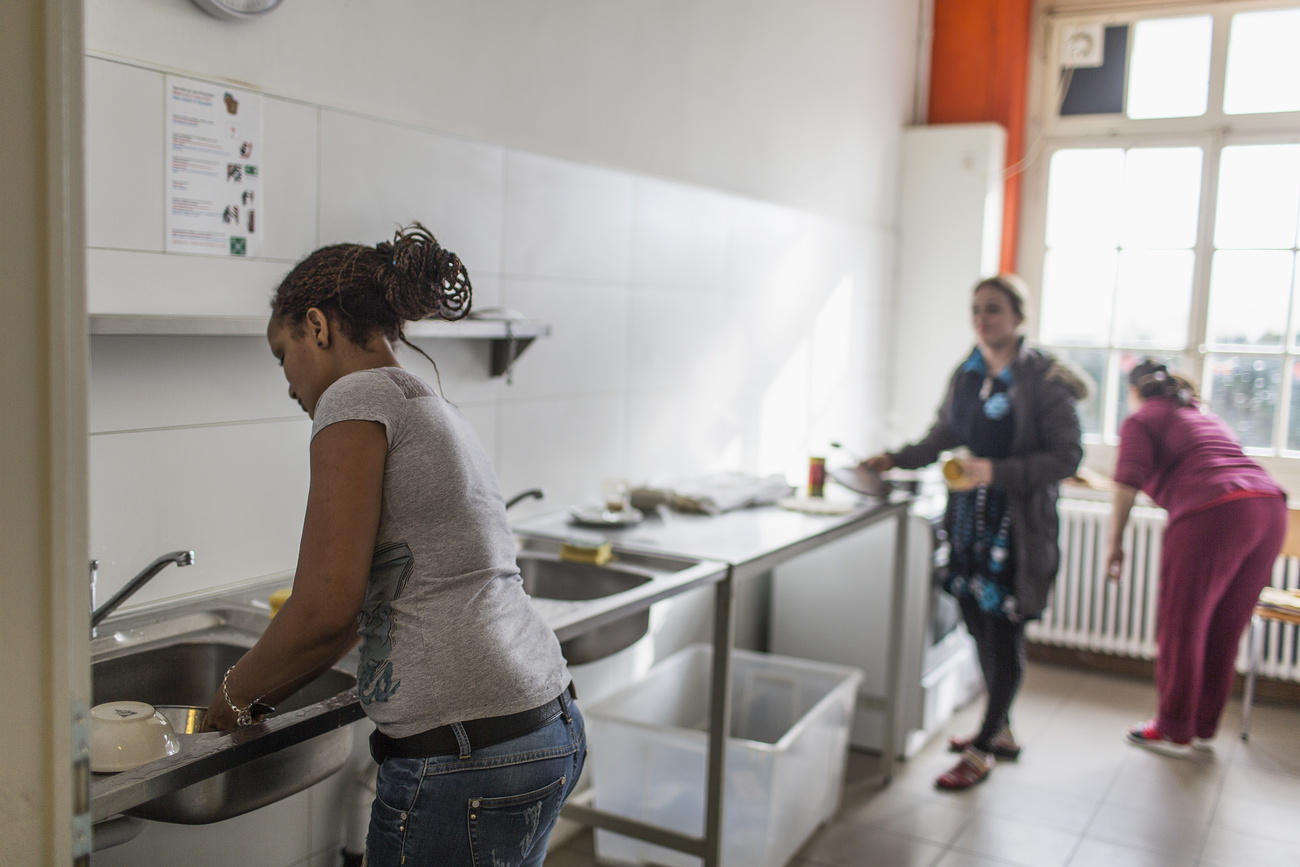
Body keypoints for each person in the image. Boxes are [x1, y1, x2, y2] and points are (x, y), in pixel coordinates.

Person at [201, 223, 584, 866]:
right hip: (542, 723)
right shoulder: (423, 399)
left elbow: (327, 606)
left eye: (282, 354)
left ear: (316, 327)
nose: (289, 382)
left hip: (464, 752)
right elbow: (372, 597)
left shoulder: (354, 397)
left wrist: (229, 702)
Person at [863, 274, 1086, 790]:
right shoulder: (967, 374)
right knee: (974, 622)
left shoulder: (1046, 380)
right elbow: (945, 434)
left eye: (993, 309)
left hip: (1017, 528)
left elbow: (1067, 457)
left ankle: (984, 746)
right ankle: (1000, 728)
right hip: (967, 522)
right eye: (976, 310)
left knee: (1003, 631)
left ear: (1019, 317)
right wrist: (895, 457)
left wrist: (996, 472)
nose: (983, 319)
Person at [1106, 359, 1286, 754]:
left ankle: (1172, 729)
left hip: (1214, 511)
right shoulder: (1201, 415)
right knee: (1225, 624)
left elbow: (1125, 483)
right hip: (1270, 507)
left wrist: (1114, 544)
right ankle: (1202, 726)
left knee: (1182, 622)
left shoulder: (1141, 419)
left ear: (1135, 392)